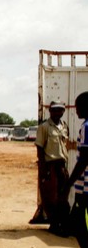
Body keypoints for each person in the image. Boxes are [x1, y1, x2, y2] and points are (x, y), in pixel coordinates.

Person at [34, 101, 71, 236]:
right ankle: (54, 225)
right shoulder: (44, 127)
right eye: (54, 110)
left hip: (62, 165)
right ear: (50, 111)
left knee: (63, 196)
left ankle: (61, 223)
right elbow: (40, 148)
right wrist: (44, 170)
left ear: (63, 112)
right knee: (51, 197)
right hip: (50, 165)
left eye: (60, 110)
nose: (57, 113)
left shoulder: (64, 126)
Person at [65, 92, 88, 248]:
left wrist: (69, 183)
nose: (77, 110)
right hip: (85, 186)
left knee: (77, 223)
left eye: (78, 106)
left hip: (87, 187)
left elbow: (84, 159)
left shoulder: (87, 127)